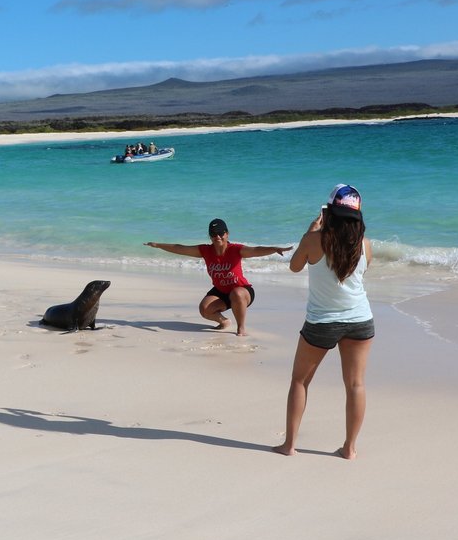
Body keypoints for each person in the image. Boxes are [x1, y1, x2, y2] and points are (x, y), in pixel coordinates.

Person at [275, 184, 373, 460]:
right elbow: (360, 276)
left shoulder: (313, 240)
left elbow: (295, 267)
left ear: (328, 211)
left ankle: (289, 445)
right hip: (360, 320)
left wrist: (309, 232)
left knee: (300, 381)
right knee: (356, 384)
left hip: (321, 321)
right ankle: (349, 449)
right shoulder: (365, 245)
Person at [145, 218, 290, 336]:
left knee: (237, 293)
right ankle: (224, 322)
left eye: (221, 233)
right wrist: (158, 245)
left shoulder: (236, 250)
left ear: (227, 234)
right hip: (221, 291)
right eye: (214, 234)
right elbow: (179, 248)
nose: (218, 237)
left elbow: (255, 250)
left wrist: (274, 249)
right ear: (210, 236)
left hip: (242, 291)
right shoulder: (205, 250)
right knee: (204, 309)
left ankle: (241, 328)